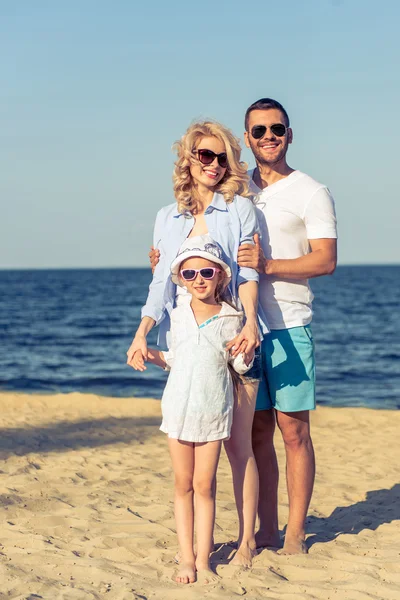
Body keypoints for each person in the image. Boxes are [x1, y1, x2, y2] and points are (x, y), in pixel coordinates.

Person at [127, 120, 269, 567]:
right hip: (189, 341)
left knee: (239, 446)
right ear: (188, 159)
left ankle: (246, 541)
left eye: (222, 157)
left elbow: (247, 272)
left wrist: (249, 324)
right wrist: (143, 331)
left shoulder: (240, 209)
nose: (213, 164)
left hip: (236, 338)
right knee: (193, 461)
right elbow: (160, 283)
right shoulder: (166, 218)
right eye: (205, 155)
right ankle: (198, 552)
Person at [237, 98, 338, 554]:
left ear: (290, 134)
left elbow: (326, 259)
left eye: (277, 128)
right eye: (259, 131)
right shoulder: (235, 191)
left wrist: (269, 264)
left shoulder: (311, 191)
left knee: (293, 431)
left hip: (290, 327)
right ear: (247, 139)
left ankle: (296, 534)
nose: (269, 137)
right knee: (256, 433)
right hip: (242, 329)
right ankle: (267, 530)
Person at [131, 238, 254, 584]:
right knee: (183, 483)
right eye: (190, 273)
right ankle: (186, 557)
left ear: (220, 276)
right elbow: (174, 358)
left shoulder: (232, 318)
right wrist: (147, 354)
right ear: (181, 279)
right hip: (178, 410)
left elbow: (238, 365)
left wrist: (246, 352)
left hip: (213, 412)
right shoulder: (178, 316)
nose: (198, 279)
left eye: (206, 271)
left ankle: (203, 560)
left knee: (205, 485)